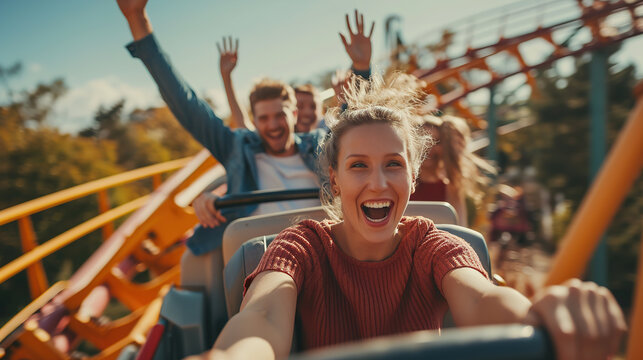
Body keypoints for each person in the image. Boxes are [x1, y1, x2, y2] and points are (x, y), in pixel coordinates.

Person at [186, 72, 626, 360]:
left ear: (413, 178)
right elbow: (263, 319)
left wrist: (536, 320)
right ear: (335, 180)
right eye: (358, 165)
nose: (378, 183)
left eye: (393, 164)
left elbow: (481, 298)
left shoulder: (432, 245)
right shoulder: (299, 245)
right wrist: (231, 356)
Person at [116, 0, 373, 254]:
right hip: (259, 258)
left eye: (279, 115)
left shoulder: (319, 145)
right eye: (263, 118)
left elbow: (355, 125)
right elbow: (185, 104)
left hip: (321, 253)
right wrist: (137, 21)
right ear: (255, 120)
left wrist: (361, 69)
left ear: (293, 114)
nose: (272, 125)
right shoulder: (237, 148)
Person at [410, 114, 495, 227]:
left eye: (436, 142)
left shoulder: (451, 186)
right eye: (423, 140)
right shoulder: (404, 182)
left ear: (445, 146)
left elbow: (460, 227)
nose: (428, 147)